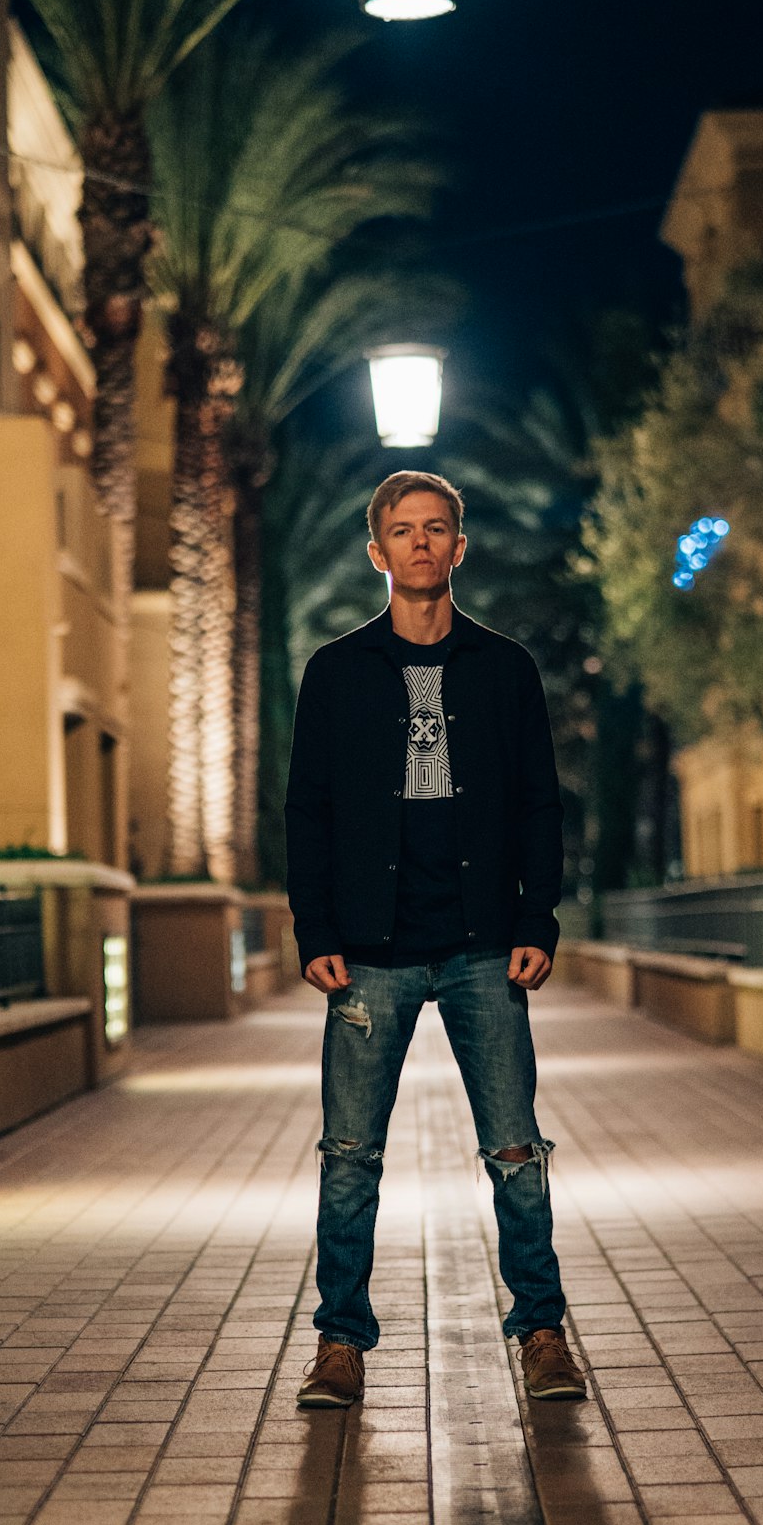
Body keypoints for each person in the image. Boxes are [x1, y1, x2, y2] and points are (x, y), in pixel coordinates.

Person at [285, 469, 587, 1408]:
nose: (421, 543)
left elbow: (541, 802)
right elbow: (309, 812)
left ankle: (541, 1332)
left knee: (515, 1152)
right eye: (404, 531)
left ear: (461, 547)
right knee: (348, 1158)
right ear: (377, 552)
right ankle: (340, 1345)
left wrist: (537, 918)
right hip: (369, 952)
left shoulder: (506, 670)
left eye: (439, 529)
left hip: (482, 944)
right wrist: (315, 928)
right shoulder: (335, 673)